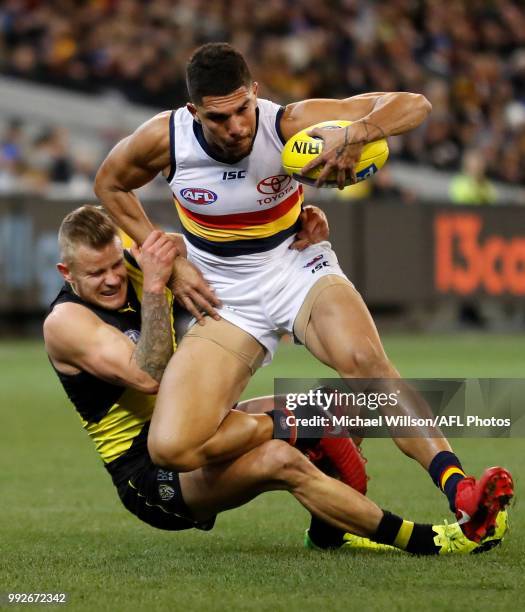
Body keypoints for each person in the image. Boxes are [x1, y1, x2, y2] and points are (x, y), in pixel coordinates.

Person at [94, 43, 513, 544]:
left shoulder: (287, 123)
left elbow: (414, 104)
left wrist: (358, 133)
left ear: (255, 93)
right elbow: (109, 184)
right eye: (217, 117)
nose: (235, 127)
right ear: (193, 112)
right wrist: (174, 263)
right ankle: (309, 421)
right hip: (223, 295)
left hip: (297, 265)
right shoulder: (167, 138)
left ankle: (460, 489)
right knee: (171, 447)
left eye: (242, 110)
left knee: (365, 362)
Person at [43, 205, 506, 555]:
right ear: (67, 273)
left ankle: (330, 531)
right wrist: (152, 288)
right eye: (96, 273)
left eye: (113, 264)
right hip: (149, 474)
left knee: (342, 402)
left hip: (200, 425)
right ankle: (431, 541)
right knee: (280, 460)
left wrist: (294, 238)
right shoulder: (66, 323)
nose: (110, 279)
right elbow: (148, 376)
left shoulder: (132, 264)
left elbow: (240, 275)